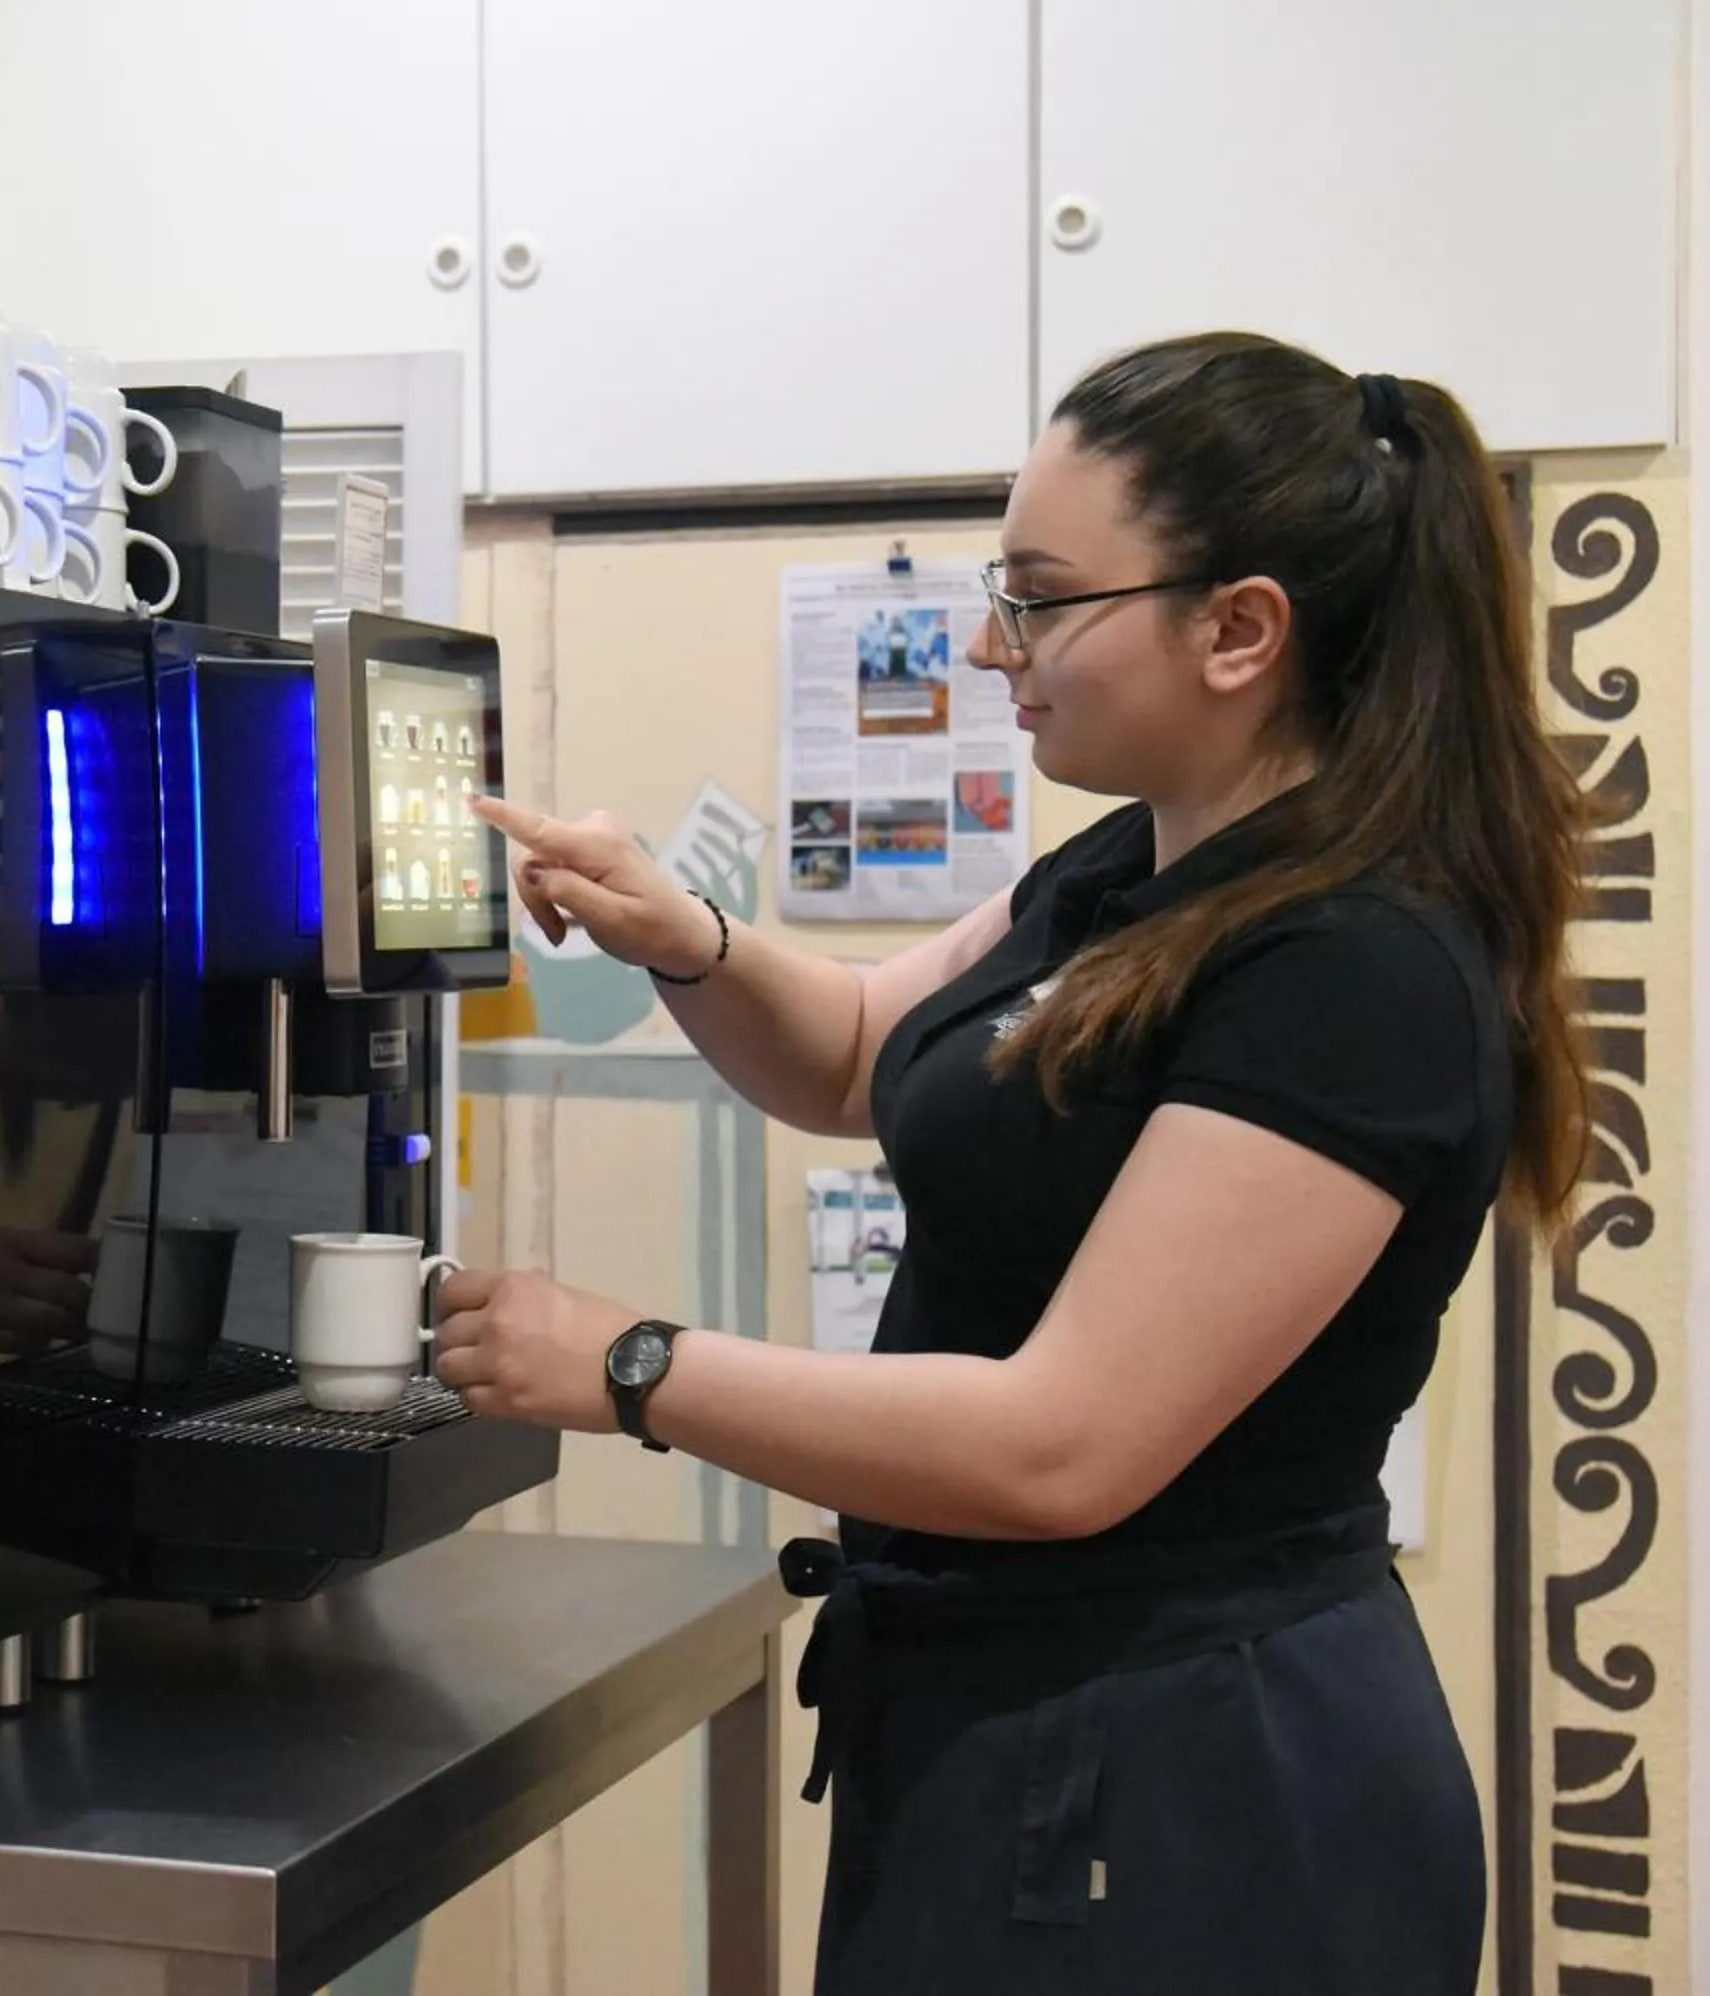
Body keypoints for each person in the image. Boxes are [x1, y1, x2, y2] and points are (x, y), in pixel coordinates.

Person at [448, 330, 1585, 1993]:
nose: (991, 643)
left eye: (1043, 598)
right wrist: (679, 938)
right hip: (1015, 1727)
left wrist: (629, 1364)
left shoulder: (1353, 968)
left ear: (1240, 629)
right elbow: (856, 1055)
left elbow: (1064, 1445)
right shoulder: (1136, 866)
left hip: (1193, 1780)